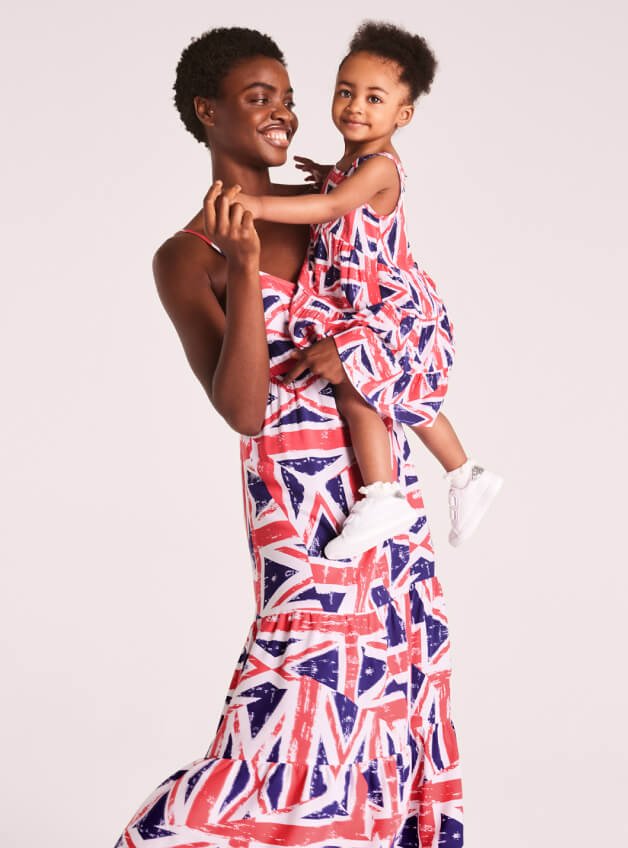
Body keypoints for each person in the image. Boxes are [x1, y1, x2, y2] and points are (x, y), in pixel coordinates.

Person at [113, 26, 464, 847]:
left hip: (378, 490)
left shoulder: (325, 216)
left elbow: (404, 323)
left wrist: (359, 358)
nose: (284, 113)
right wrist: (240, 267)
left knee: (376, 697)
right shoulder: (186, 256)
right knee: (288, 694)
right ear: (208, 112)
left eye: (287, 96)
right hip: (296, 500)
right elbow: (241, 407)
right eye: (257, 97)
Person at [234, 21, 502, 560]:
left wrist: (258, 205)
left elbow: (332, 208)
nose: (355, 106)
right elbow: (332, 190)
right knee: (406, 400)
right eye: (345, 91)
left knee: (361, 393)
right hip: (359, 303)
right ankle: (466, 474)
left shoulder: (379, 167)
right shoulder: (350, 165)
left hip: (385, 306)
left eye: (374, 98)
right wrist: (321, 173)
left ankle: (382, 495)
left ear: (402, 115)